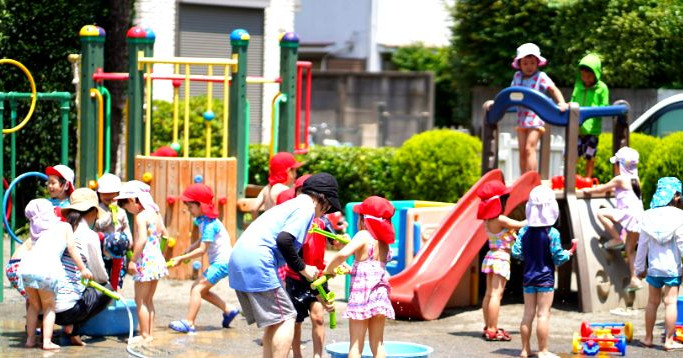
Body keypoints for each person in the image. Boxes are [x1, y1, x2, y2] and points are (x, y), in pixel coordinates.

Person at [228, 173, 342, 358]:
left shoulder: (292, 204)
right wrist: (303, 268)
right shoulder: (306, 207)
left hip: (239, 259)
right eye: (328, 207)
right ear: (323, 198)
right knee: (287, 318)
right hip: (258, 260)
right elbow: (284, 240)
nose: (325, 212)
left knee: (275, 321)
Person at [323, 196, 396, 358]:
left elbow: (342, 254)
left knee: (356, 345)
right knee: (378, 344)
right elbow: (371, 268)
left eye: (359, 217)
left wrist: (328, 269)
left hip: (361, 298)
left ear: (364, 220)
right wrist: (352, 270)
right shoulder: (384, 242)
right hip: (380, 297)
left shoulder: (363, 235)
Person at [19, 198, 93, 351]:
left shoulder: (37, 232)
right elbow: (72, 249)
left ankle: (30, 340)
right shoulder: (64, 226)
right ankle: (47, 342)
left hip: (27, 268)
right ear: (52, 213)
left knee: (33, 306)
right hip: (47, 270)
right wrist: (83, 269)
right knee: (49, 307)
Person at [512, 185, 575, 358]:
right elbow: (557, 257)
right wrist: (569, 253)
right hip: (545, 279)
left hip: (528, 278)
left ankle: (525, 350)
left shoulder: (524, 231)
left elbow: (516, 253)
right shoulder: (552, 233)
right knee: (543, 314)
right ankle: (543, 350)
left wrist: (528, 254)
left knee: (527, 314)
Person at [168, 183, 240, 333]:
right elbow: (202, 241)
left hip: (222, 263)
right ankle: (229, 310)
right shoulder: (204, 221)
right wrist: (189, 248)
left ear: (200, 205)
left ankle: (189, 322)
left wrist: (181, 259)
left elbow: (203, 249)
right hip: (222, 262)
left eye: (191, 207)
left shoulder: (210, 225)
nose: (189, 210)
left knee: (196, 289)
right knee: (203, 291)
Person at [488, 43, 567, 174]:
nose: (529, 66)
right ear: (519, 64)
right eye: (525, 63)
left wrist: (562, 103)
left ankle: (531, 178)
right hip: (521, 118)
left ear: (537, 63)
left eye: (532, 63)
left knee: (530, 148)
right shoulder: (517, 77)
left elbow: (553, 89)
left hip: (536, 118)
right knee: (522, 150)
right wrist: (497, 104)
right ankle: (523, 178)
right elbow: (511, 94)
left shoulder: (540, 77)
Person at [581, 146, 643, 291]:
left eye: (616, 164)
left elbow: (601, 189)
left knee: (601, 214)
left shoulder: (620, 179)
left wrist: (588, 190)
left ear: (620, 165)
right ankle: (635, 279)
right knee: (630, 250)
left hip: (627, 214)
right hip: (638, 217)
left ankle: (616, 239)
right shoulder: (635, 178)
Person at [55, 188, 112, 346]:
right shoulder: (90, 235)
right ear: (94, 212)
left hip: (46, 307)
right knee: (108, 289)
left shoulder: (60, 229)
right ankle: (74, 328)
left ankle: (42, 330)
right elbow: (100, 275)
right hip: (67, 311)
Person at [116, 180, 168, 344]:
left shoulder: (140, 216)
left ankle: (144, 335)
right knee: (149, 300)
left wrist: (132, 261)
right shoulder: (156, 214)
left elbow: (142, 240)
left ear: (133, 200)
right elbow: (165, 235)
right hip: (157, 260)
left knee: (140, 300)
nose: (129, 211)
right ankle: (149, 333)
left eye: (127, 207)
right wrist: (158, 254)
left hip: (145, 262)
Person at [634, 177, 683, 351]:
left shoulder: (648, 215)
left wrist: (639, 268)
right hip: (672, 270)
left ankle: (647, 338)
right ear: (676, 197)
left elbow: (642, 246)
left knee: (652, 303)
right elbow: (681, 244)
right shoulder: (679, 216)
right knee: (670, 303)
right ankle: (668, 341)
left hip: (654, 269)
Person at [476, 181, 526, 341]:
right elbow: (519, 225)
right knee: (497, 295)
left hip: (490, 256)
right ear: (498, 202)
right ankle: (492, 329)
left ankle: (488, 325)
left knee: (489, 294)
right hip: (501, 258)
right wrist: (534, 217)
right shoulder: (501, 219)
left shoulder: (488, 221)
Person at [571, 53, 609, 179]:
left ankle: (587, 178)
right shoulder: (578, 87)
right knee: (574, 154)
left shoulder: (602, 88)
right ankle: (573, 178)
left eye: (589, 76)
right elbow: (572, 101)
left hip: (592, 130)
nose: (586, 79)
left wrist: (595, 110)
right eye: (583, 76)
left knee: (590, 155)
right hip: (577, 128)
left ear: (596, 74)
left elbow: (605, 106)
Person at [94, 173, 132, 289]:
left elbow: (125, 226)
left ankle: (115, 291)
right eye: (104, 194)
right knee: (104, 274)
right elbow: (98, 224)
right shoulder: (98, 209)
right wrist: (110, 214)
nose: (108, 197)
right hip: (103, 250)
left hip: (118, 250)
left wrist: (129, 239)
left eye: (112, 194)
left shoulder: (121, 211)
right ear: (99, 194)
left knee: (117, 275)